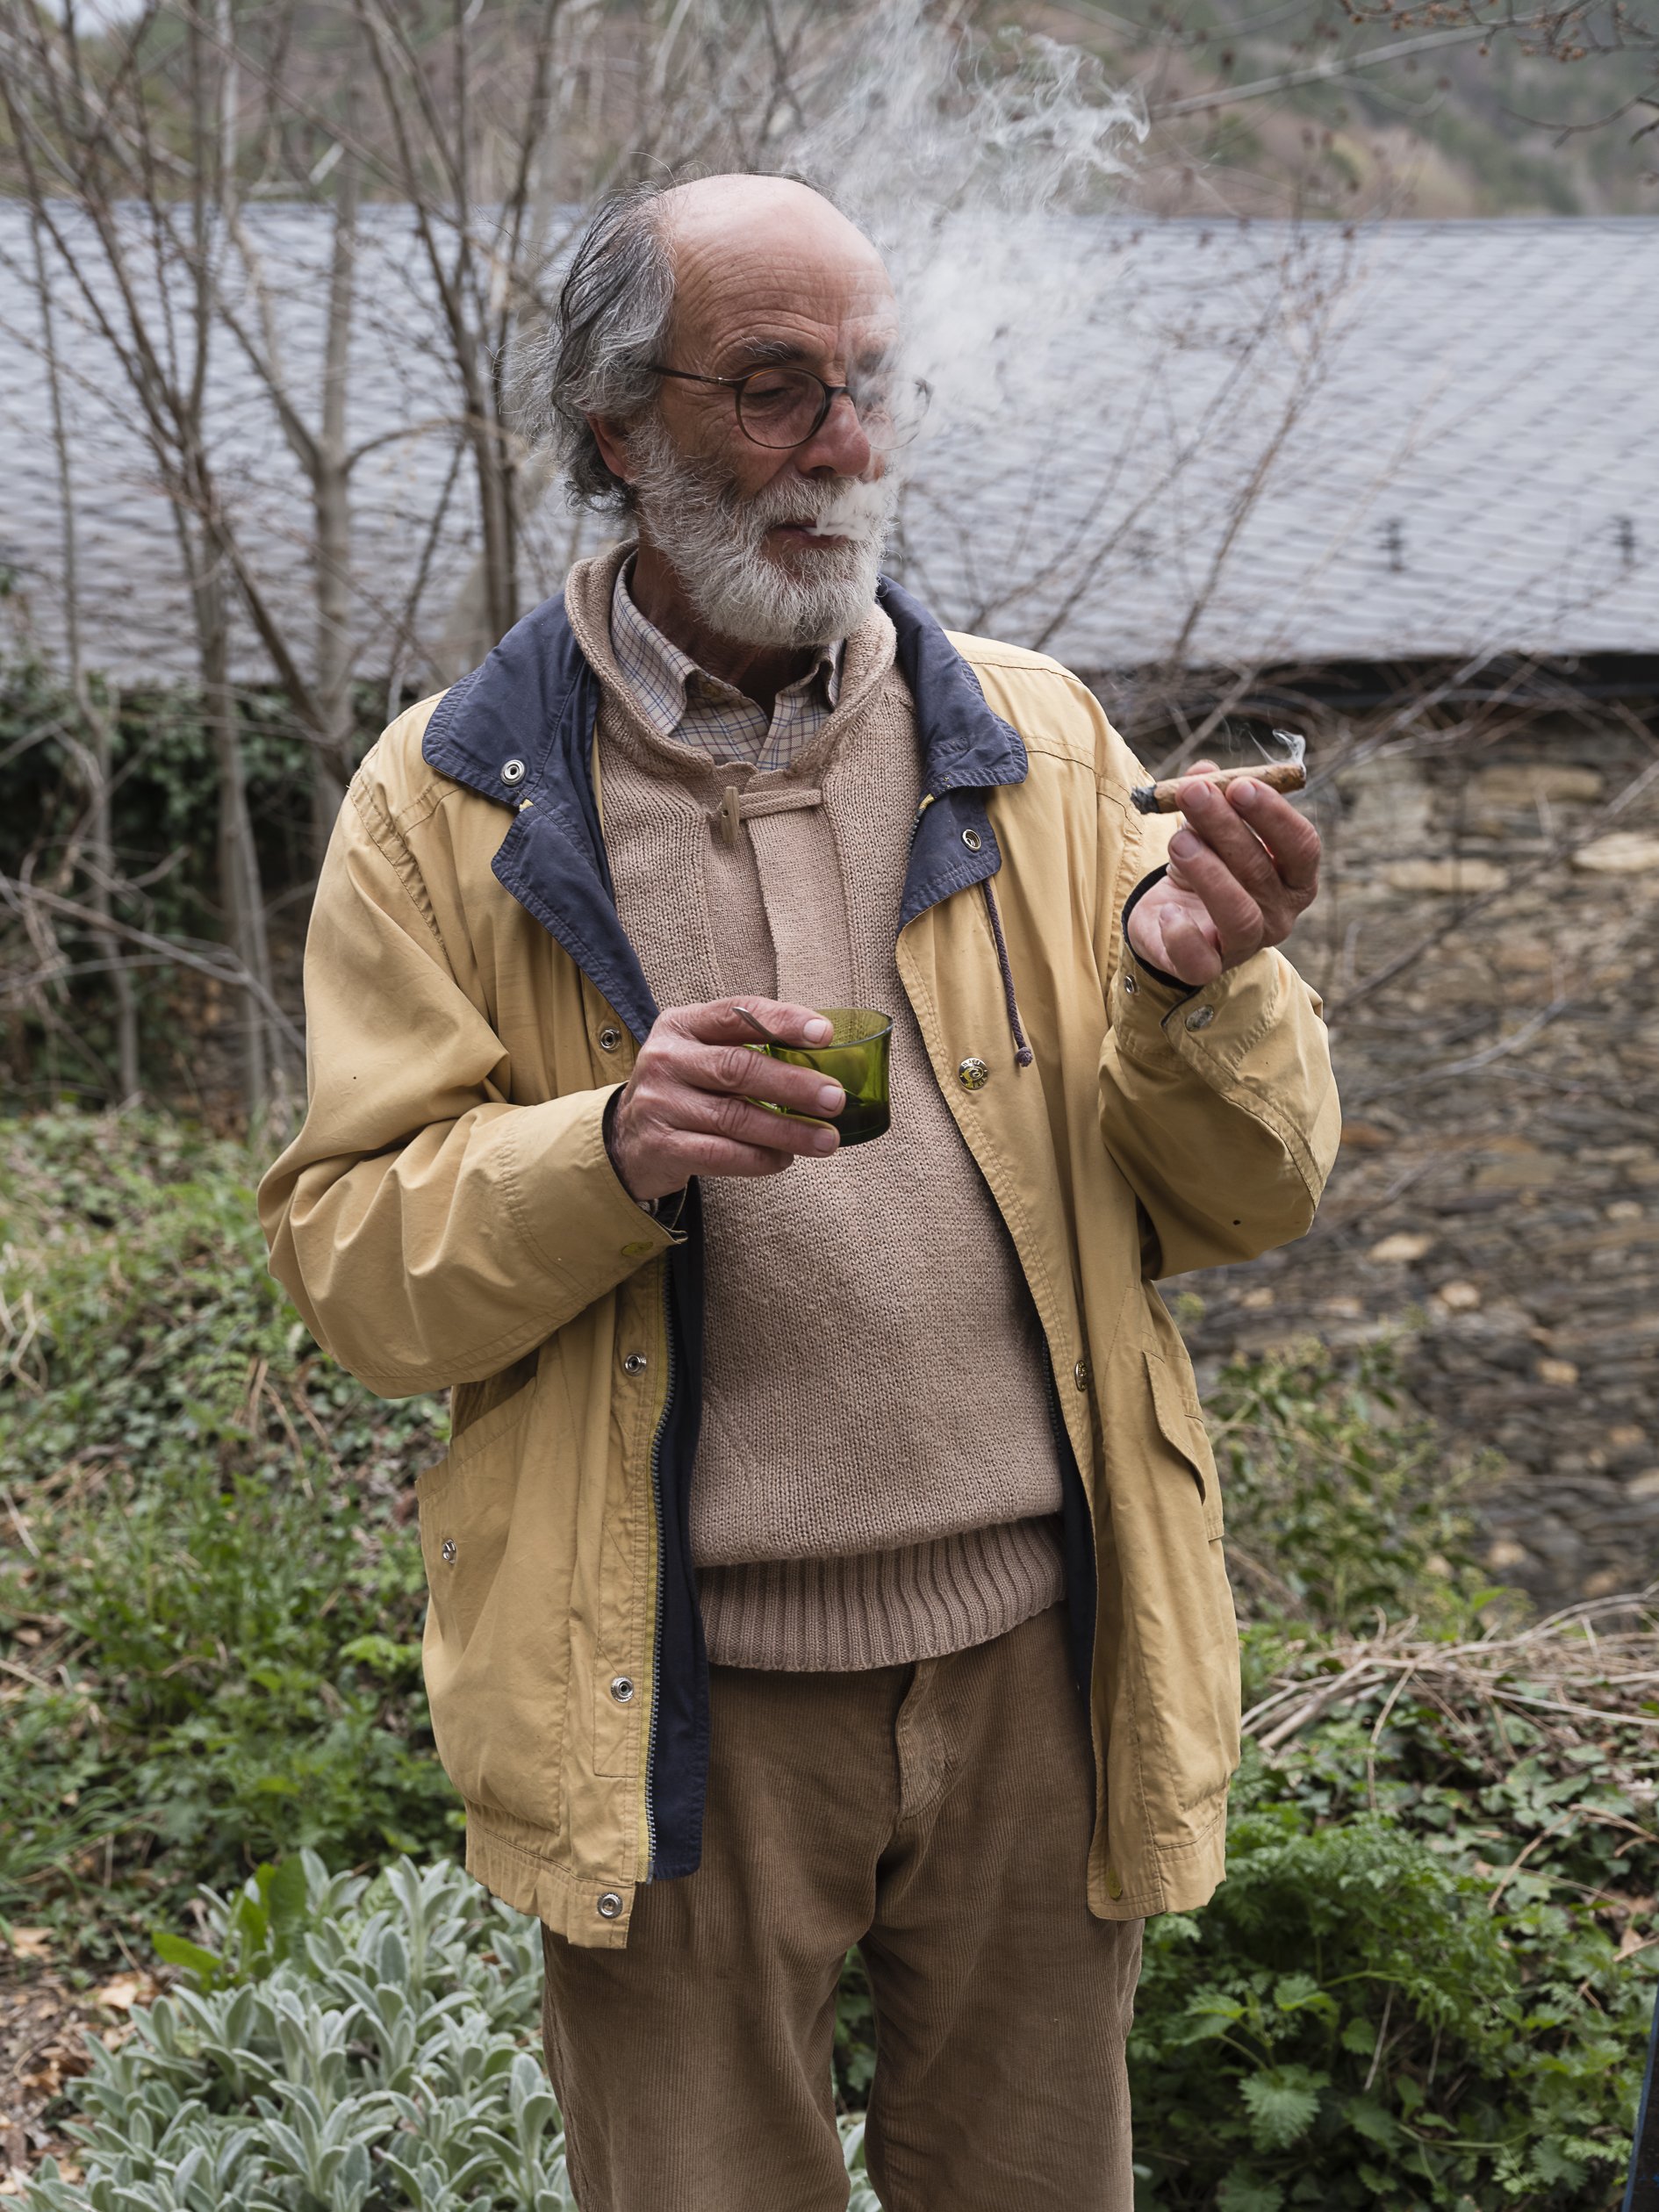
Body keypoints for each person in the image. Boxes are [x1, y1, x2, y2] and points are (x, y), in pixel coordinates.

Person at [260, 172, 1338, 2212]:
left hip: (1040, 1661)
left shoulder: (1037, 741)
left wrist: (1208, 990)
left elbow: (1252, 1193)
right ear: (614, 428)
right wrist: (605, 1154)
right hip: (667, 1686)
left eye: (867, 387)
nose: (842, 448)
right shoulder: (450, 799)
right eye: (772, 391)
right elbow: (356, 1271)